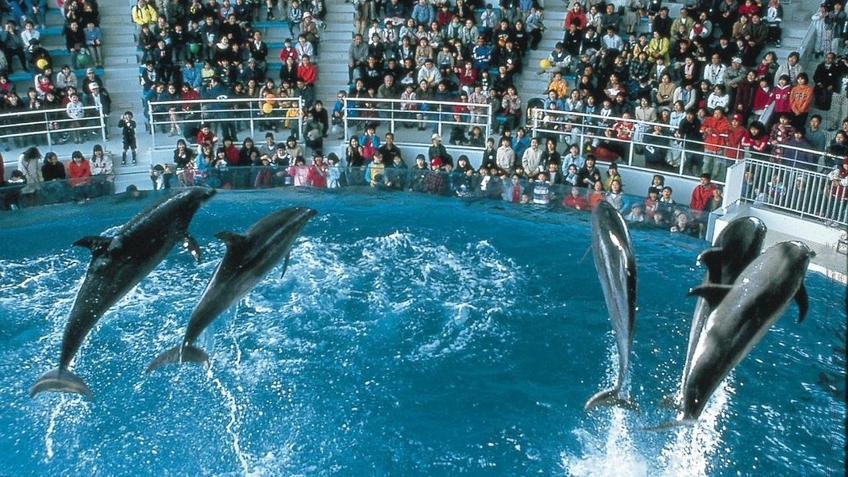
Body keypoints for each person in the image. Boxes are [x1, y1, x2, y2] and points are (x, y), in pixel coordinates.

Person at [689, 173, 717, 238]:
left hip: (706, 212)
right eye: (701, 180)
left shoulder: (713, 190)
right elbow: (693, 200)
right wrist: (692, 210)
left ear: (709, 180)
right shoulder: (697, 188)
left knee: (703, 229)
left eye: (705, 180)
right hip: (696, 211)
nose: (702, 181)